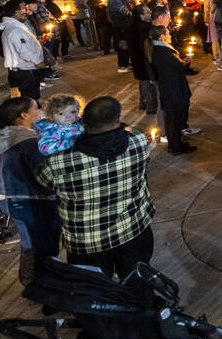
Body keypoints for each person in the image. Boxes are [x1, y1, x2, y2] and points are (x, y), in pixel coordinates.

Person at [38, 96, 155, 280]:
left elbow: (43, 182)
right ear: (117, 120)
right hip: (132, 228)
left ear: (82, 120)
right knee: (136, 280)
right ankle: (141, 305)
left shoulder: (58, 161)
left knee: (95, 288)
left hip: (87, 240)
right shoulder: (137, 141)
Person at [0, 96, 59, 283]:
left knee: (31, 243)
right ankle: (37, 286)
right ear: (24, 114)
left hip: (9, 199)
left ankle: (35, 282)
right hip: (31, 200)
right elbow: (45, 175)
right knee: (40, 245)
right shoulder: (28, 142)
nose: (40, 112)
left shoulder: (2, 136)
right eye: (36, 109)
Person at [150, 25, 197, 155]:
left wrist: (182, 61)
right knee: (175, 118)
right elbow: (179, 67)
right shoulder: (163, 51)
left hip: (170, 85)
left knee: (172, 117)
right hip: (173, 87)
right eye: (168, 34)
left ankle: (176, 144)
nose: (170, 35)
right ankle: (176, 146)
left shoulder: (159, 49)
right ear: (162, 37)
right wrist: (186, 61)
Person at [0, 0, 47, 101]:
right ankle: (32, 115)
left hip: (23, 69)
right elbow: (24, 50)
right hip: (25, 70)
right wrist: (38, 61)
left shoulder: (13, 27)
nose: (27, 11)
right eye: (24, 8)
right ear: (16, 12)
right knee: (30, 98)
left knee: (28, 97)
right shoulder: (15, 30)